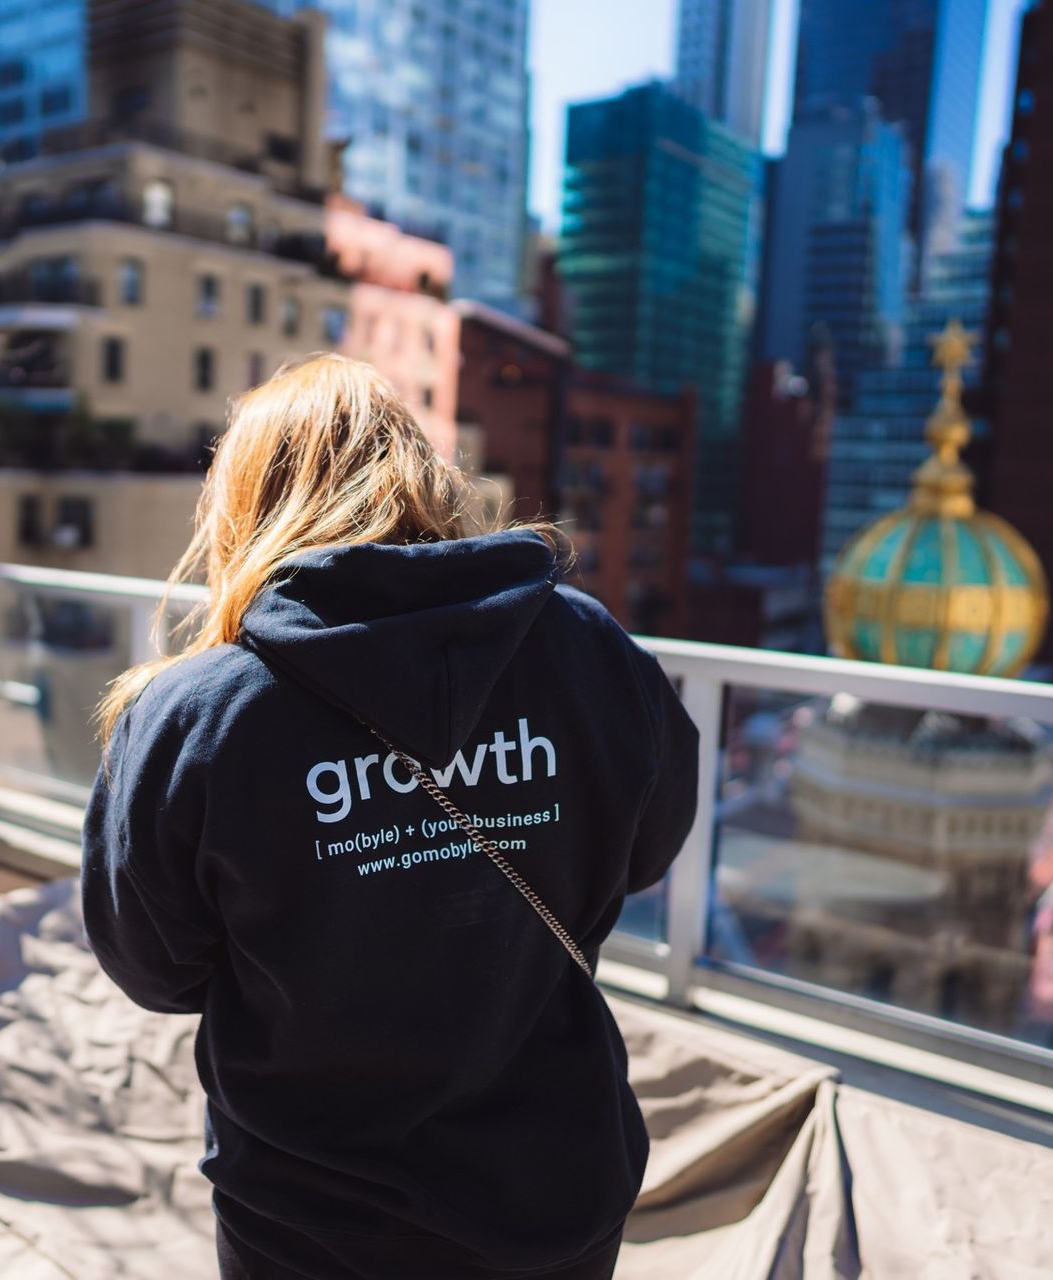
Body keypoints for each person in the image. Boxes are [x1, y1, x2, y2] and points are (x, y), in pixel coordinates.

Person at [79, 354, 700, 1280]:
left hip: (310, 1219)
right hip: (554, 1192)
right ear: (423, 476)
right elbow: (646, 850)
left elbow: (155, 966)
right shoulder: (590, 650)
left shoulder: (198, 714)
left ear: (245, 505)